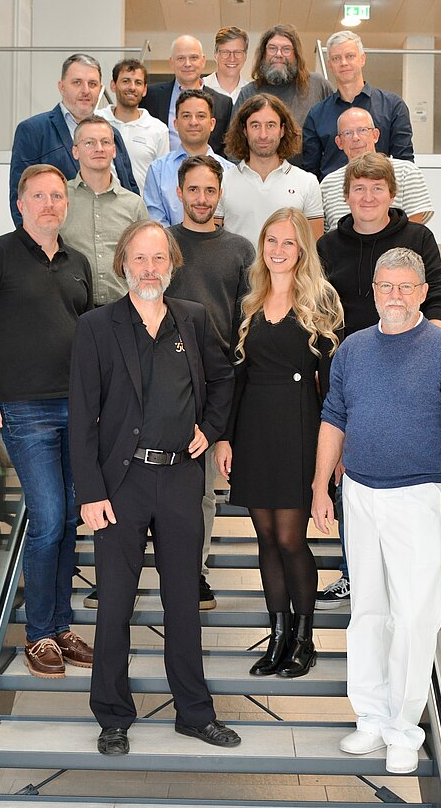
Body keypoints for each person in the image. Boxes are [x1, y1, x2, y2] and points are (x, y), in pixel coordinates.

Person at [68, 219, 240, 756]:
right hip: (120, 486)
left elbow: (224, 378)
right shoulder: (97, 326)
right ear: (123, 264)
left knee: (183, 601)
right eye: (139, 258)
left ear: (172, 265)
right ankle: (113, 717)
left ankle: (194, 713)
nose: (149, 268)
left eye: (158, 258)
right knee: (115, 605)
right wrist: (90, 493)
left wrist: (211, 428)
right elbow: (82, 417)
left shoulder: (193, 318)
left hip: (182, 479)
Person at [311, 247, 441, 775]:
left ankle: (403, 728)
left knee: (413, 615)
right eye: (386, 286)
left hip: (419, 496)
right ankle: (369, 717)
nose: (395, 295)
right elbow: (334, 417)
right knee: (367, 610)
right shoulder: (354, 349)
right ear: (373, 291)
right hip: (360, 492)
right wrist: (320, 485)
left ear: (423, 292)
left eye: (406, 286)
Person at [0, 164, 94, 679]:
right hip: (26, 410)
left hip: (79, 408)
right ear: (21, 203)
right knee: (49, 517)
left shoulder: (78, 262)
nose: (49, 204)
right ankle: (38, 635)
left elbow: (86, 334)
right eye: (39, 196)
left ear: (66, 203)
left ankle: (62, 627)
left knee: (71, 517)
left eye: (57, 195)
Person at [315, 152, 441, 609]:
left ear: (392, 194)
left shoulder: (418, 238)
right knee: (346, 471)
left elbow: (437, 299)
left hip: (406, 365)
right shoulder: (328, 246)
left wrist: (428, 355)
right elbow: (319, 310)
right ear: (346, 196)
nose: (368, 196)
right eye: (359, 189)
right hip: (348, 369)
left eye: (377, 188)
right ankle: (354, 572)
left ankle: (396, 574)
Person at [215, 208, 343, 679]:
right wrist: (225, 437)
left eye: (289, 242)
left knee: (291, 538)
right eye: (271, 240)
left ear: (302, 249)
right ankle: (278, 637)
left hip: (299, 427)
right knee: (265, 538)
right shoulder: (249, 301)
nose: (278, 250)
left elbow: (333, 386)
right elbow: (236, 378)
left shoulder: (321, 301)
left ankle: (304, 641)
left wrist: (336, 453)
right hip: (254, 429)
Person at [167, 155, 255, 610]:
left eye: (210, 190)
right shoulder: (162, 243)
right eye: (193, 190)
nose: (201, 199)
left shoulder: (240, 250)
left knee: (201, 490)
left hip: (214, 382)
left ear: (220, 194)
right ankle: (130, 569)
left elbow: (246, 320)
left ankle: (194, 573)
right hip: (161, 382)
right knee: (144, 486)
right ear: (179, 192)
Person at [9, 53, 138, 225]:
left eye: (92, 84)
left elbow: (130, 189)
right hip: (61, 238)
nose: (85, 90)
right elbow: (20, 197)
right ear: (62, 87)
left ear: (100, 89)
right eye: (77, 82)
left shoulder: (112, 134)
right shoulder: (34, 131)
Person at [61, 115, 149, 307]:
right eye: (89, 143)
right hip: (71, 308)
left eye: (105, 142)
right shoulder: (59, 199)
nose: (99, 148)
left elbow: (146, 259)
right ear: (75, 151)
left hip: (122, 309)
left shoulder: (134, 204)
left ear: (114, 150)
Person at [303, 31, 414, 181]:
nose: (343, 63)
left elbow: (405, 163)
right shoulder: (316, 115)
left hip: (379, 192)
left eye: (350, 56)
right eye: (336, 58)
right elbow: (310, 173)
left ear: (362, 59)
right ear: (329, 65)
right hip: (333, 194)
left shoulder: (393, 106)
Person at [215, 94, 324, 246]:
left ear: (282, 130)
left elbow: (314, 247)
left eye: (270, 125)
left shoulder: (307, 183)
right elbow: (214, 243)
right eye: (255, 125)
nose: (263, 135)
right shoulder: (222, 182)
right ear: (244, 130)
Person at [321, 108, 433, 234]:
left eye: (362, 130)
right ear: (339, 142)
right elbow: (323, 235)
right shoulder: (327, 184)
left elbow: (414, 233)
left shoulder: (406, 172)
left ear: (375, 135)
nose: (355, 138)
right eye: (347, 133)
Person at [143, 89, 233, 227]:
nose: (193, 122)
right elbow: (155, 221)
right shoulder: (158, 170)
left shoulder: (230, 172)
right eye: (186, 116)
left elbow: (232, 222)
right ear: (175, 124)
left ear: (212, 124)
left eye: (201, 116)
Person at [233, 24, 333, 136]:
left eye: (286, 49)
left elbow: (337, 128)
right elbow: (233, 140)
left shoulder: (318, 85)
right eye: (272, 48)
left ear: (296, 54)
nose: (279, 54)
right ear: (263, 53)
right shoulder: (248, 93)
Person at [142, 35, 232, 157]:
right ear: (171, 62)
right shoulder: (151, 96)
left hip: (207, 167)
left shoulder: (223, 103)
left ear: (203, 61)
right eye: (181, 58)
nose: (188, 64)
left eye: (193, 58)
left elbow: (225, 149)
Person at [96, 58, 169, 194]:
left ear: (145, 89)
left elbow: (162, 178)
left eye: (138, 83)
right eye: (126, 81)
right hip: (100, 203)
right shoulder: (96, 120)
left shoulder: (158, 129)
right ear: (113, 85)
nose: (132, 87)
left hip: (141, 205)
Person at [203, 26, 249, 102]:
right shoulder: (201, 88)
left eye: (238, 52)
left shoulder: (252, 93)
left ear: (245, 56)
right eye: (225, 52)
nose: (232, 59)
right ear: (215, 54)